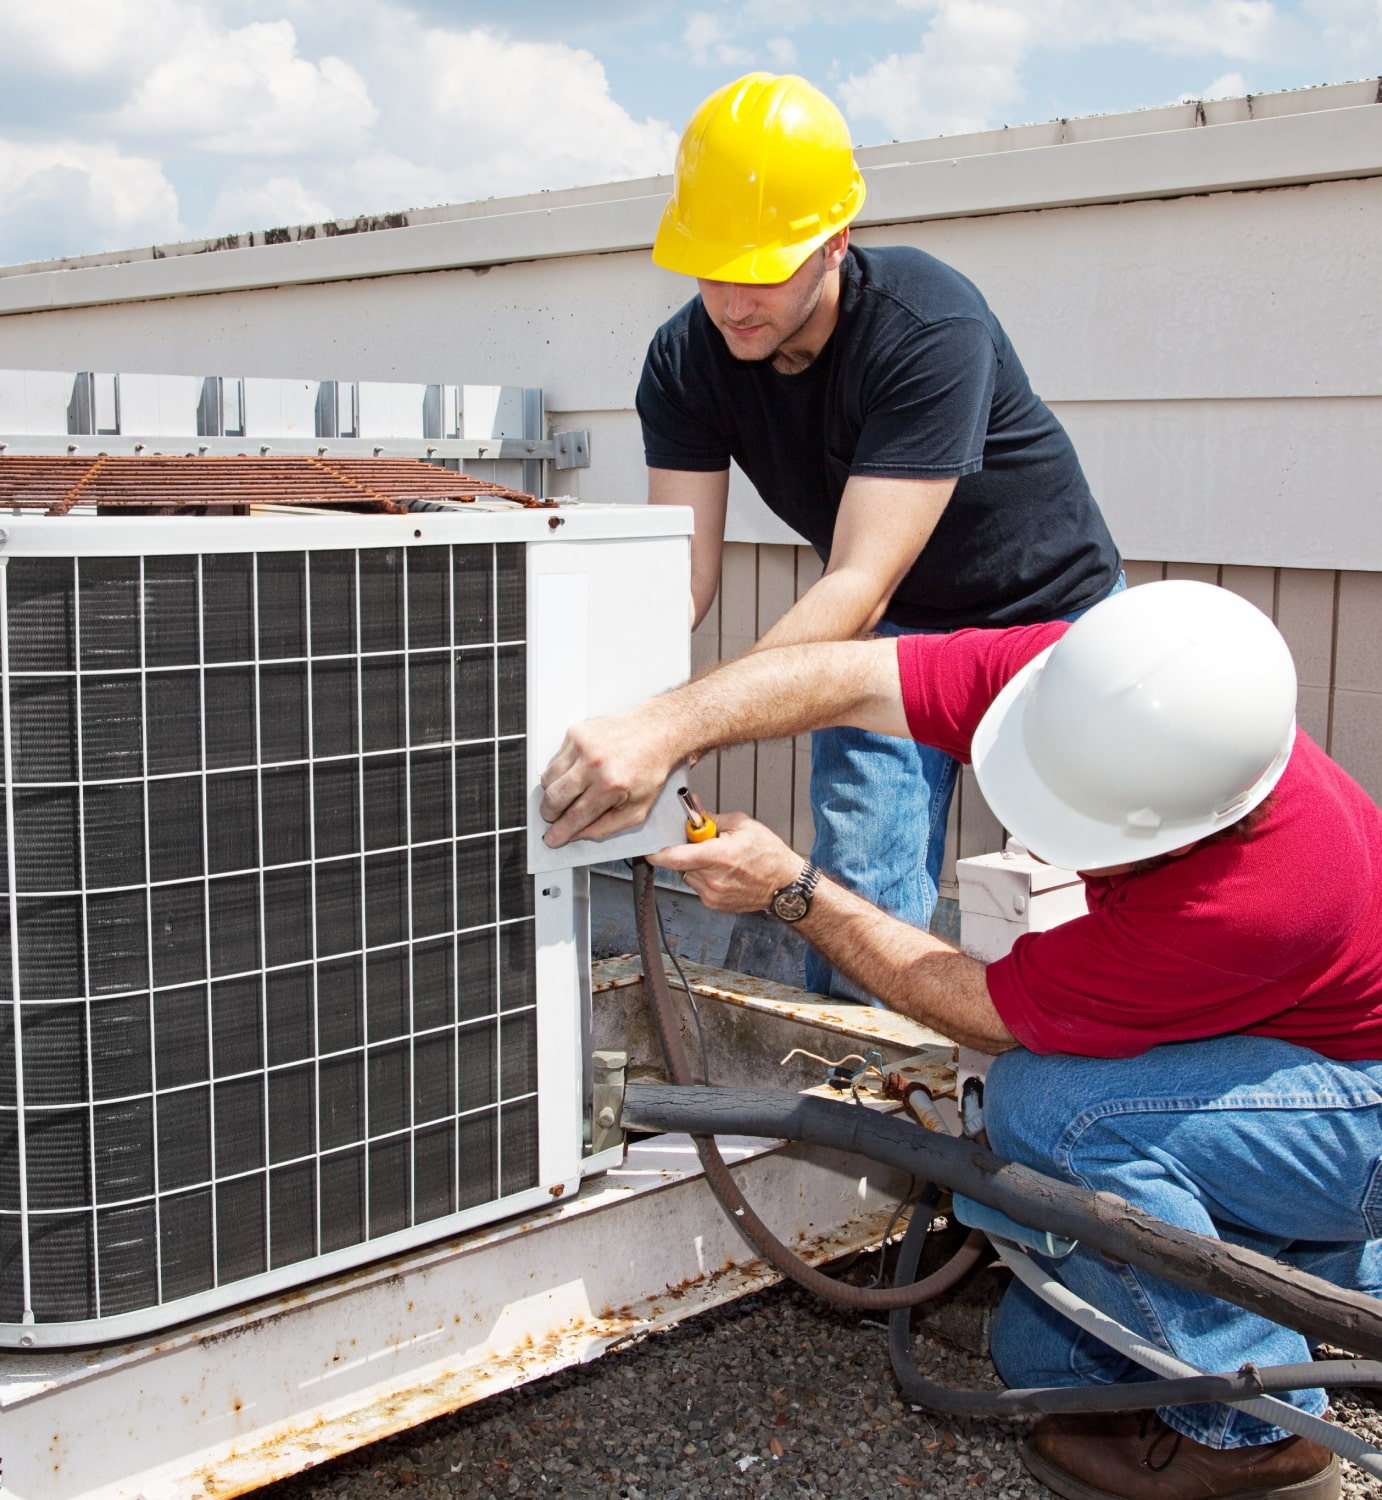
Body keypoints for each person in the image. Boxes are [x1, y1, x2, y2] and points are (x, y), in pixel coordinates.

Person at [541, 580, 1382, 1500]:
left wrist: (793, 890)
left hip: (1358, 1101)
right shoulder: (1086, 686)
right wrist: (665, 726)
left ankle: (1258, 1434)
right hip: (1284, 1057)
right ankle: (1320, 1276)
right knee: (1038, 1359)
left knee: (1054, 1114)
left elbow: (984, 1011)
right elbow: (846, 676)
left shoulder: (1256, 899)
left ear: (1187, 834)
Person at [639, 71, 1123, 999]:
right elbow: (684, 578)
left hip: (1052, 622)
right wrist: (621, 706)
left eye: (764, 270)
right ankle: (871, 1082)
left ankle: (1083, 1068)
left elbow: (858, 580)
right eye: (712, 268)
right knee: (856, 892)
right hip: (893, 633)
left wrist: (683, 723)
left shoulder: (927, 323)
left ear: (835, 242)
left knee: (1104, 882)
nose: (734, 301)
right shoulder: (684, 360)